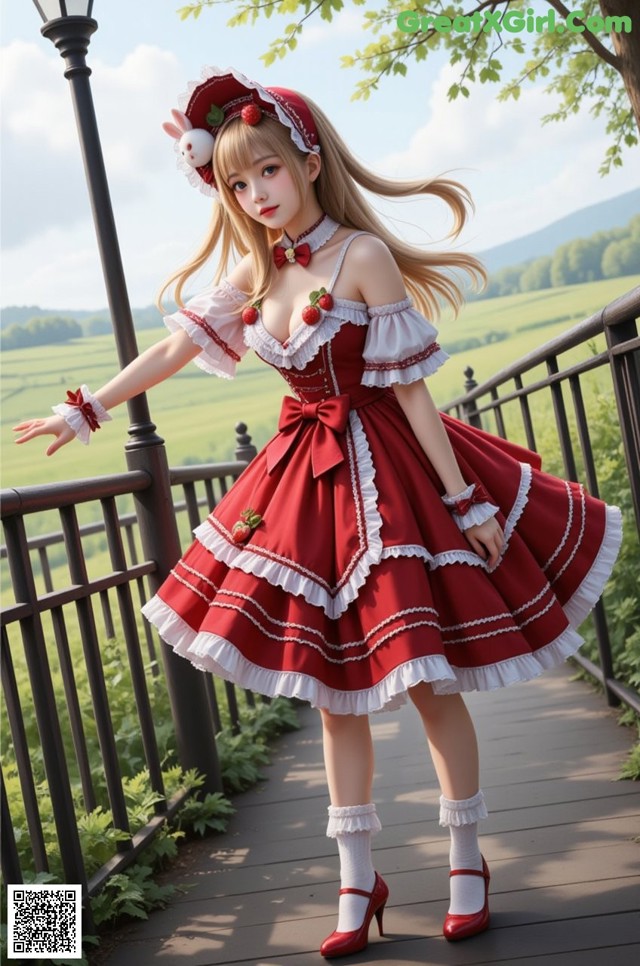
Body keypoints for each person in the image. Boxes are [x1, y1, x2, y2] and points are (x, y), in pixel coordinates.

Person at [14, 67, 622, 959]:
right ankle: (355, 879)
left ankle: (464, 858)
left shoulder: (362, 256)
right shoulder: (251, 276)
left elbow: (413, 393)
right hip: (306, 486)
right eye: (235, 182)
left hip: (395, 475)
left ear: (305, 161)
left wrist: (464, 499)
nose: (256, 194)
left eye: (267, 171)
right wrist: (89, 408)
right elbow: (176, 346)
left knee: (423, 676)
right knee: (334, 694)